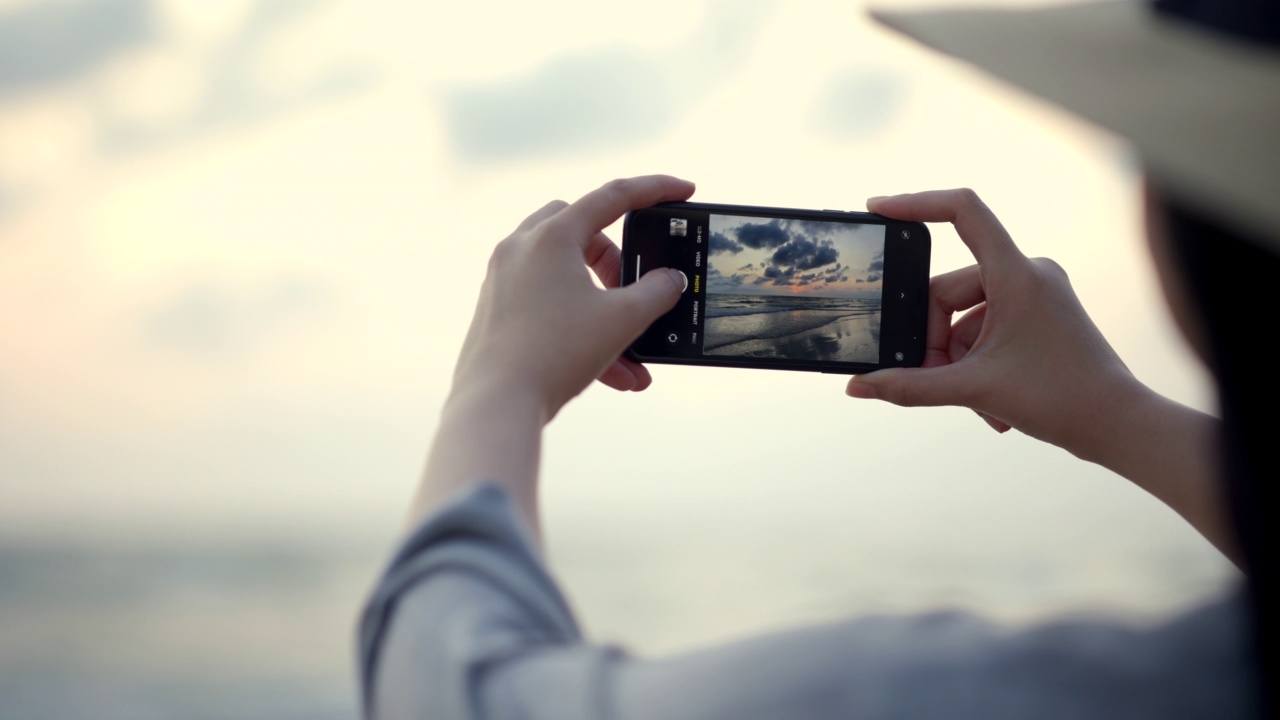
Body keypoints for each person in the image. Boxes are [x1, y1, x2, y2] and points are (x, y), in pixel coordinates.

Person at [358, 0, 1278, 717]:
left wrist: (498, 383)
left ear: (1195, 242)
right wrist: (1113, 412)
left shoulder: (923, 701)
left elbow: (452, 693)